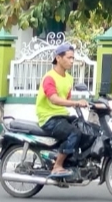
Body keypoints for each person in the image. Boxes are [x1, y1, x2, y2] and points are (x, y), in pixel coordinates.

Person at [35, 43, 90, 179]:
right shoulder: (49, 77)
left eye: (73, 58)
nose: (72, 61)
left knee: (85, 129)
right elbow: (54, 99)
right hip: (48, 118)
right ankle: (57, 166)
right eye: (69, 58)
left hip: (61, 116)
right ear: (58, 58)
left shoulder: (68, 78)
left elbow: (66, 100)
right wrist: (76, 102)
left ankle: (73, 160)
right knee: (74, 133)